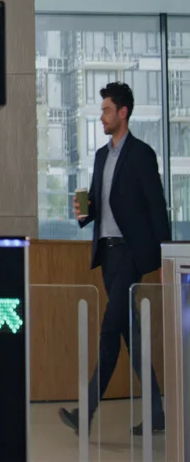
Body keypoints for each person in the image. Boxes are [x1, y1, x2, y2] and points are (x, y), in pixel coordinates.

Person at [59, 82, 170, 436]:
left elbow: (157, 208)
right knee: (129, 333)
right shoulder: (100, 156)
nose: (101, 115)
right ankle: (156, 413)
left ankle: (86, 411)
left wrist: (163, 260)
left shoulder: (141, 154)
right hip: (107, 254)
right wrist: (83, 212)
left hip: (129, 254)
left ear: (123, 113)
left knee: (109, 331)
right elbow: (97, 201)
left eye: (106, 110)